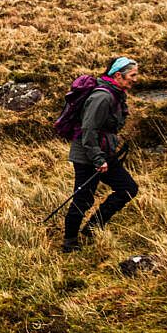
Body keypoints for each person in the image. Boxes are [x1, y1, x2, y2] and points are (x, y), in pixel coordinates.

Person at [63, 57, 139, 252]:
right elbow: (88, 130)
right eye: (133, 75)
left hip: (104, 153)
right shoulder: (102, 97)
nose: (136, 79)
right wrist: (98, 159)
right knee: (83, 198)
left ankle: (93, 227)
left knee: (127, 188)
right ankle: (70, 242)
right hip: (88, 155)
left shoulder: (116, 93)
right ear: (118, 75)